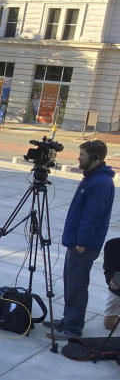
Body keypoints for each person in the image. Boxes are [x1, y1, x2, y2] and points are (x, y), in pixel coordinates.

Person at [47, 140, 115, 339]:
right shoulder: (92, 177)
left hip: (83, 245)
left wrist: (81, 243)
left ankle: (73, 329)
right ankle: (69, 319)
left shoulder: (100, 182)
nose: (78, 158)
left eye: (82, 155)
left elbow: (91, 216)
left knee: (77, 285)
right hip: (77, 241)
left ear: (94, 158)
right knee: (71, 282)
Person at [101, 237, 120, 331]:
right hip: (117, 289)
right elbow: (107, 269)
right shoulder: (112, 244)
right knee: (109, 325)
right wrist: (110, 281)